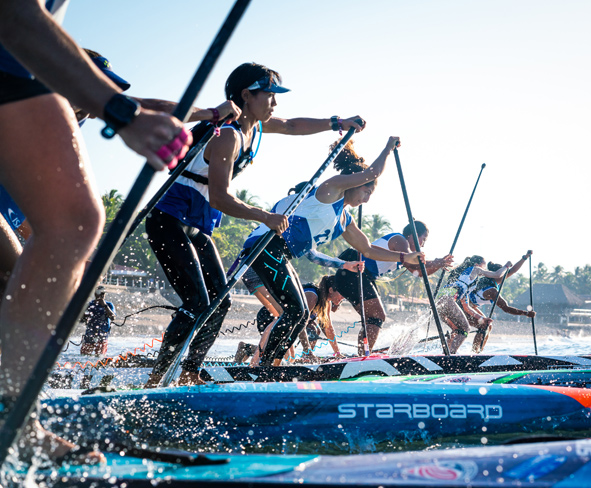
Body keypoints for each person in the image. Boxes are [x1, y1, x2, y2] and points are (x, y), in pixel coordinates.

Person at [0, 0, 191, 464]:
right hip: (15, 47)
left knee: (72, 227)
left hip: (15, 60)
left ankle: (14, 417)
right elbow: (15, 14)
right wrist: (121, 112)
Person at [144, 62, 366, 387]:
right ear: (247, 95)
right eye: (270, 96)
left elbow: (291, 126)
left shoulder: (256, 128)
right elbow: (220, 197)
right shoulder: (228, 136)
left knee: (219, 300)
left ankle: (190, 372)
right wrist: (266, 217)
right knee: (197, 303)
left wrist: (337, 123)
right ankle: (155, 380)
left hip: (197, 224)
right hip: (169, 220)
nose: (274, 103)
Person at [243, 138, 424, 366]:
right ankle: (264, 366)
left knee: (299, 314)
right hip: (265, 244)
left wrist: (404, 258)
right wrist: (388, 148)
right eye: (366, 191)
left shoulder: (344, 220)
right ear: (355, 183)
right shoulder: (331, 190)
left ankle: (271, 365)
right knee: (296, 310)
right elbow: (373, 172)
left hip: (280, 254)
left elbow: (367, 249)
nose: (367, 199)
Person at [335, 221, 453, 354]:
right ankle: (363, 355)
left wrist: (438, 264)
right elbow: (415, 266)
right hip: (354, 270)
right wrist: (437, 261)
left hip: (361, 276)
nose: (423, 245)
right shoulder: (400, 240)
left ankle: (363, 353)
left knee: (373, 318)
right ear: (411, 236)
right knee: (376, 316)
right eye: (423, 239)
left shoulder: (405, 251)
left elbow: (419, 273)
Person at [236, 274, 346, 364]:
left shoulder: (326, 303)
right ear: (331, 290)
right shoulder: (312, 296)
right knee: (283, 356)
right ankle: (252, 358)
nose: (343, 298)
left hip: (285, 323)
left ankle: (247, 349)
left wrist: (337, 354)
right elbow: (300, 324)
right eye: (342, 294)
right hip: (270, 317)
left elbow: (328, 329)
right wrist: (308, 351)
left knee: (290, 358)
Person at [461, 251, 537, 353]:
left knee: (488, 325)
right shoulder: (492, 291)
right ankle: (474, 353)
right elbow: (506, 308)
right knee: (485, 326)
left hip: (471, 307)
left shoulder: (490, 279)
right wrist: (526, 313)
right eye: (505, 274)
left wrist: (525, 257)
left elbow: (513, 270)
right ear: (498, 275)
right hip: (463, 308)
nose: (507, 276)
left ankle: (478, 352)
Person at [436, 255, 511, 354]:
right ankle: (450, 356)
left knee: (456, 329)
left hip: (440, 301)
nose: (485, 268)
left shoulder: (466, 280)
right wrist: (506, 266)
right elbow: (497, 275)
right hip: (448, 300)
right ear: (477, 264)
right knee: (465, 329)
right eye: (484, 264)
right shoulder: (475, 269)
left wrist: (482, 319)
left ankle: (445, 354)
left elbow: (467, 308)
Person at [80, 286, 116, 356]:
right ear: (95, 294)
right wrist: (85, 317)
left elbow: (113, 317)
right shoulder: (90, 305)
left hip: (102, 336)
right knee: (84, 355)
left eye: (103, 293)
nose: (102, 295)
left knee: (100, 357)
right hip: (89, 335)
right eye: (100, 293)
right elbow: (81, 320)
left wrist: (105, 306)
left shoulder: (109, 305)